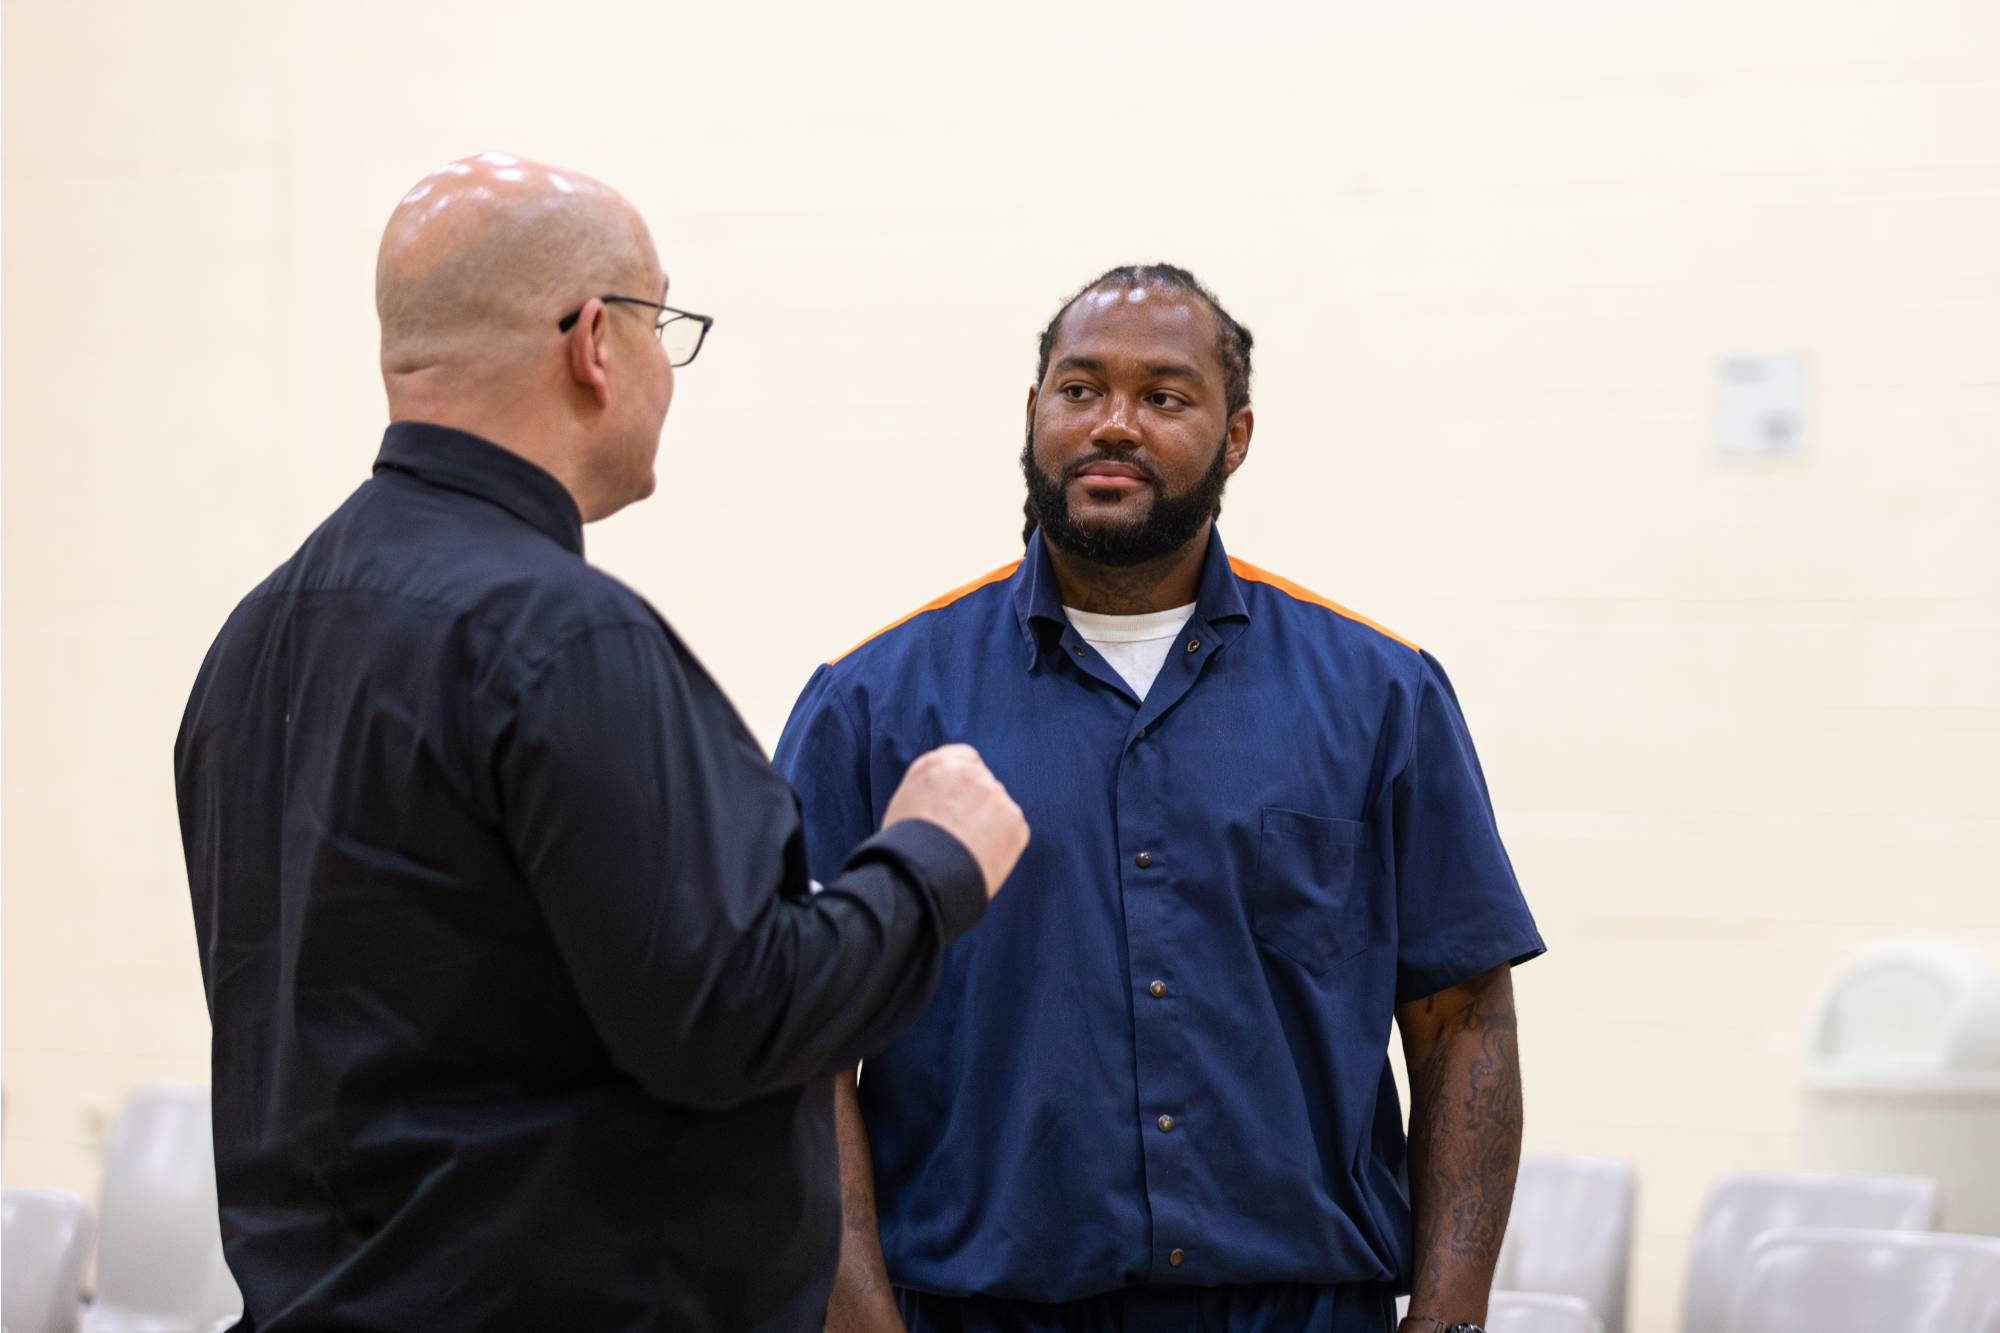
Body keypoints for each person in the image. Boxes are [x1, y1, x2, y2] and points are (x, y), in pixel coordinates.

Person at [173, 153, 1028, 1332]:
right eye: (661, 325)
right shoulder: (558, 640)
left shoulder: (257, 635)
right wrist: (933, 860)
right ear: (592, 341)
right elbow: (732, 1015)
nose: (666, 372)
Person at [775, 265, 1544, 1333]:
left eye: (1164, 396)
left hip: (1302, 1310)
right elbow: (800, 1042)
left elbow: (1461, 1020)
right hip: (971, 1307)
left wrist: (1451, 1314)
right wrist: (856, 1316)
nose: (1113, 424)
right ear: (1033, 413)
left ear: (1235, 438)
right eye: (1079, 388)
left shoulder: (1381, 693)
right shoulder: (870, 702)